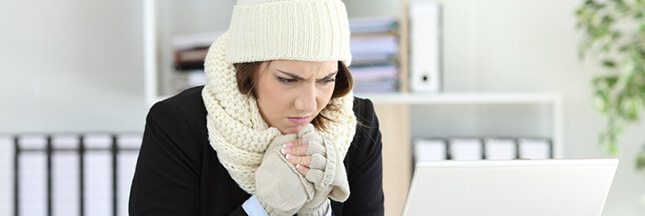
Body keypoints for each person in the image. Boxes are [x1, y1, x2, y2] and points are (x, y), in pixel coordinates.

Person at [128, 0, 384, 215]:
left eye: (326, 80)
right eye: (288, 79)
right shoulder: (177, 125)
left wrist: (318, 207)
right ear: (247, 70)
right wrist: (266, 208)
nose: (308, 103)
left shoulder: (355, 123)